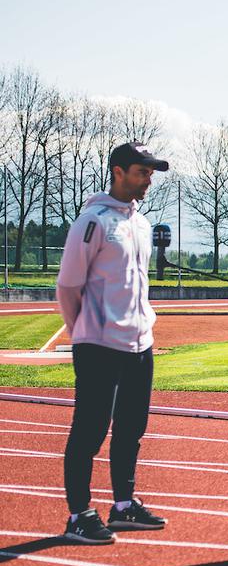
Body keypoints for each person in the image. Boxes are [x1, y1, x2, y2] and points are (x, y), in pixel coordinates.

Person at [55, 142, 170, 544]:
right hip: (100, 344)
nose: (148, 179)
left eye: (151, 172)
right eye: (142, 171)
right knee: (89, 430)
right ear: (118, 171)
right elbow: (68, 285)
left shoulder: (140, 223)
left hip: (140, 342)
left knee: (131, 429)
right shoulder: (93, 222)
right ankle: (79, 514)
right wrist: (86, 329)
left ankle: (123, 506)